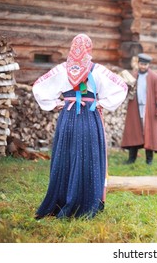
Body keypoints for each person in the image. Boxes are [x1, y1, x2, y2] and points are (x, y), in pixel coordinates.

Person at [33, 33, 128, 219]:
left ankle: (62, 200)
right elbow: (121, 87)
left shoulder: (61, 69)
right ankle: (87, 202)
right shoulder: (97, 70)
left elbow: (39, 86)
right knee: (88, 157)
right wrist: (102, 103)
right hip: (89, 117)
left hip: (68, 116)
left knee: (66, 156)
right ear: (89, 49)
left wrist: (55, 104)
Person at [121, 53, 157, 165]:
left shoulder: (155, 77)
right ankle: (132, 158)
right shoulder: (134, 76)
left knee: (149, 133)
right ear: (138, 63)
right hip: (135, 108)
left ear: (148, 65)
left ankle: (149, 160)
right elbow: (127, 90)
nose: (143, 66)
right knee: (134, 132)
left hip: (149, 109)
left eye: (145, 64)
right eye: (141, 64)